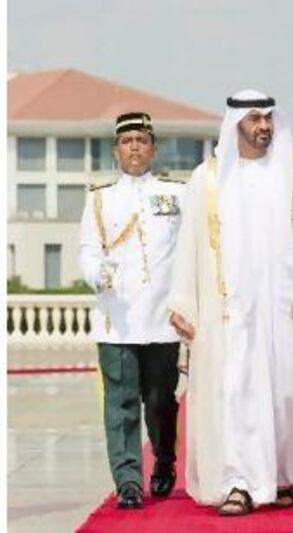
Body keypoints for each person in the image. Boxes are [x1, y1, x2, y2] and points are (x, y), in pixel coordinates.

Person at [167, 89, 293, 515]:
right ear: (235, 123)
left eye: (268, 119)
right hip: (230, 314)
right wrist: (183, 302)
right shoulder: (207, 181)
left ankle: (276, 477)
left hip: (281, 313)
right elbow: (189, 246)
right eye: (255, 119)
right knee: (235, 392)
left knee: (283, 397)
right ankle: (239, 481)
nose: (264, 127)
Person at [78, 112, 183, 509]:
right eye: (127, 141)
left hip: (161, 319)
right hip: (116, 320)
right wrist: (96, 272)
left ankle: (164, 462)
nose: (135, 147)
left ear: (153, 147)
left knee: (160, 401)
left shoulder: (177, 195)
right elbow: (87, 249)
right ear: (116, 150)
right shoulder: (100, 198)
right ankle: (127, 480)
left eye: (141, 139)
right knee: (120, 403)